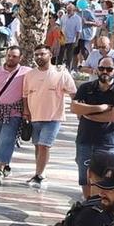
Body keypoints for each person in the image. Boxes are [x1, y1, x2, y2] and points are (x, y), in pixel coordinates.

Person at [70, 55, 114, 192]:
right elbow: (74, 108)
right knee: (85, 178)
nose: (105, 71)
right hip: (85, 141)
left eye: (109, 69)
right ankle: (88, 206)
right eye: (101, 68)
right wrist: (100, 108)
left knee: (107, 180)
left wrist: (87, 114)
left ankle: (103, 209)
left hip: (109, 143)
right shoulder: (86, 88)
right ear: (97, 70)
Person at [20, 46, 76, 191]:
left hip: (53, 117)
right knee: (38, 146)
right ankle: (40, 173)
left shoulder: (61, 73)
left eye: (42, 54)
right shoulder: (30, 74)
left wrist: (78, 109)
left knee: (45, 145)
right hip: (35, 117)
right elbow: (25, 95)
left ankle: (40, 175)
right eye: (36, 54)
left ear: (50, 55)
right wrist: (26, 111)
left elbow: (73, 92)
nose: (39, 57)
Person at [0, 44, 29, 185]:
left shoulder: (26, 72)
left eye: (14, 56)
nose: (10, 58)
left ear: (21, 58)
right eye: (9, 55)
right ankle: (5, 163)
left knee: (7, 139)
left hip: (14, 113)